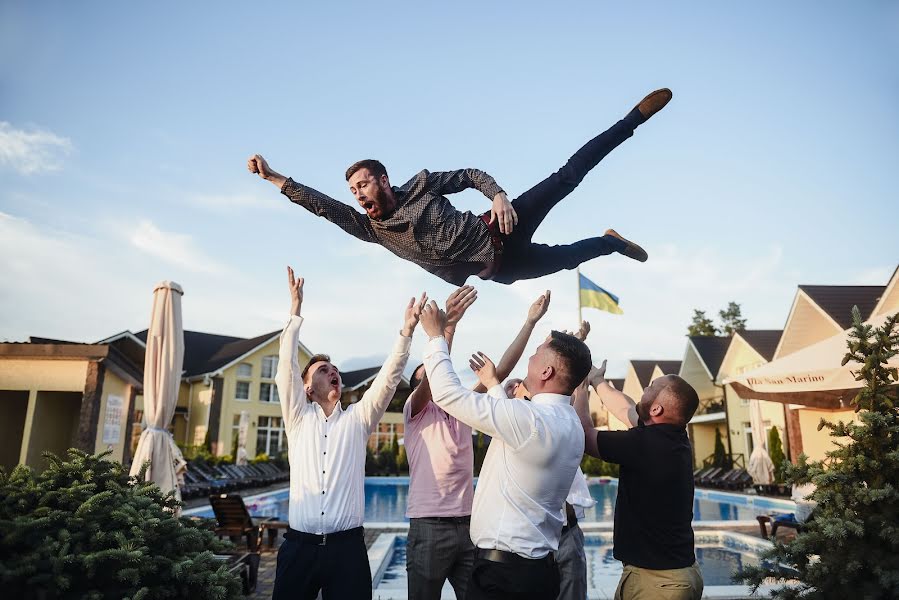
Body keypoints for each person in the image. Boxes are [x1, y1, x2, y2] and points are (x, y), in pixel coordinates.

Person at [247, 89, 673, 286]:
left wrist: (499, 194)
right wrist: (275, 178)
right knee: (568, 259)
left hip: (501, 225)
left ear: (383, 179)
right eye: (353, 191)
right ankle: (610, 243)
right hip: (502, 271)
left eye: (362, 185)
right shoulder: (370, 229)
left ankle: (633, 118)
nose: (357, 195)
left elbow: (469, 175)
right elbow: (323, 207)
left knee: (567, 177)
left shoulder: (422, 185)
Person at [271, 266, 424, 600]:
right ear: (308, 389)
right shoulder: (298, 417)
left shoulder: (358, 419)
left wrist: (407, 332)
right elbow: (286, 367)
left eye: (335, 369)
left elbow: (388, 378)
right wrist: (295, 312)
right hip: (299, 548)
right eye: (323, 371)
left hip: (347, 550)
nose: (333, 372)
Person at [419, 301, 589, 600]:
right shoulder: (569, 422)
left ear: (546, 371)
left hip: (503, 579)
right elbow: (514, 427)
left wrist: (436, 336)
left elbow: (447, 395)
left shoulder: (532, 421)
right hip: (537, 573)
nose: (531, 357)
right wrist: (493, 384)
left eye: (536, 354)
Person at [403, 288, 552, 600]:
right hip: (430, 527)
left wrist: (529, 323)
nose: (435, 372)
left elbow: (501, 371)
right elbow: (434, 372)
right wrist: (445, 331)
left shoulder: (463, 409)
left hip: (470, 525)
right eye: (427, 373)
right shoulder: (415, 412)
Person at [573, 360, 704, 600]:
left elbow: (584, 434)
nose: (645, 388)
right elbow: (627, 409)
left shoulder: (644, 444)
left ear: (656, 410)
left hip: (658, 584)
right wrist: (598, 380)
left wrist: (580, 388)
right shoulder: (673, 438)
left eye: (651, 387)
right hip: (677, 577)